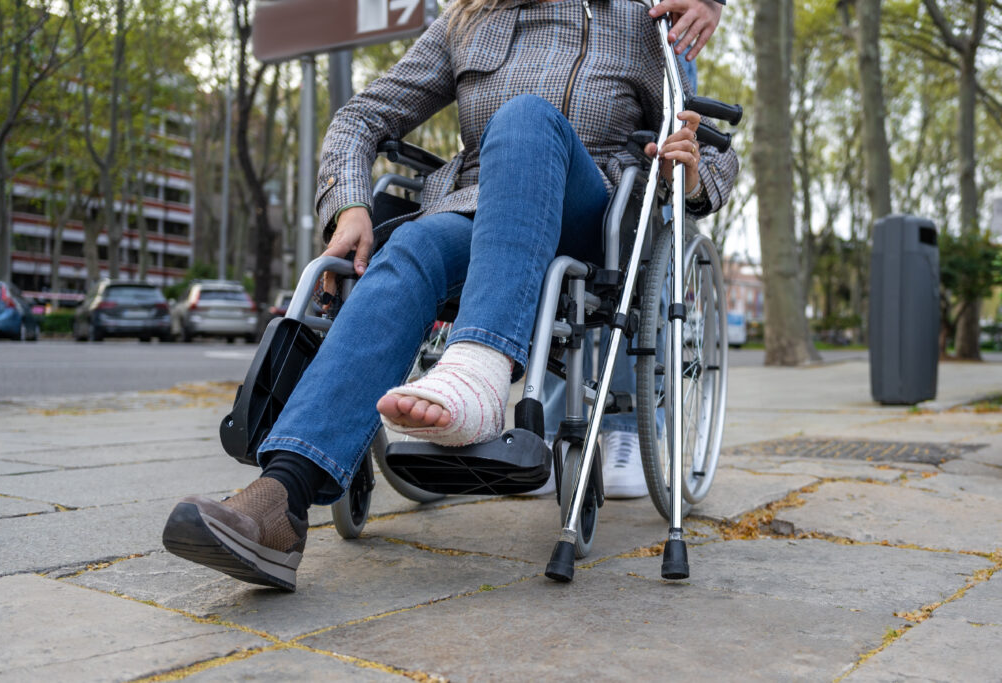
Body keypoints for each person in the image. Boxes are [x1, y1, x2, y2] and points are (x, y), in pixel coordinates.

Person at [162, 0, 734, 591]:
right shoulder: (465, 23)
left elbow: (713, 149)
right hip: (476, 210)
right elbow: (360, 118)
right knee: (412, 246)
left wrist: (690, 174)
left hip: (589, 220)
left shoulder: (643, 21)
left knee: (524, 119)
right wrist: (348, 205)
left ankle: (476, 376)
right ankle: (280, 501)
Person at [540, 0, 736, 500]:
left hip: (651, 18)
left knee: (640, 211)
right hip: (555, 32)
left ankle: (627, 428)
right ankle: (549, 422)